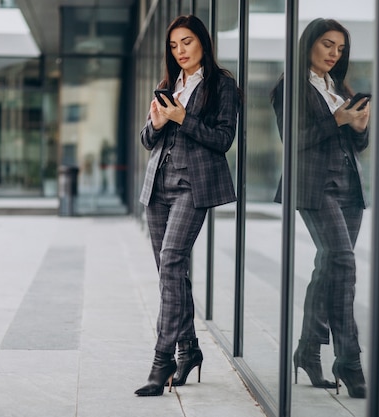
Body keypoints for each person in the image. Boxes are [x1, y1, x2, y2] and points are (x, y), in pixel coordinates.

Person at [135, 15, 240, 397]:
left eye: (188, 43)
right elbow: (147, 139)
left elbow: (223, 138)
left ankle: (161, 360)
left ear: (204, 43)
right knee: (170, 271)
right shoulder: (168, 85)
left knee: (173, 263)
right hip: (158, 187)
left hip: (192, 188)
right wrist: (160, 120)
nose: (180, 51)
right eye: (175, 45)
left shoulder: (222, 85)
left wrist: (183, 116)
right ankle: (189, 348)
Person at [270, 18, 370, 398]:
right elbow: (293, 139)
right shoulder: (289, 87)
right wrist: (337, 120)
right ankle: (349, 359)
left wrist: (359, 126)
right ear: (309, 45)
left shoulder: (338, 89)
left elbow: (356, 145)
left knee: (328, 267)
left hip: (349, 187)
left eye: (340, 49)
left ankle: (308, 352)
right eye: (327, 44)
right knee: (342, 262)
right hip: (314, 186)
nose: (334, 53)